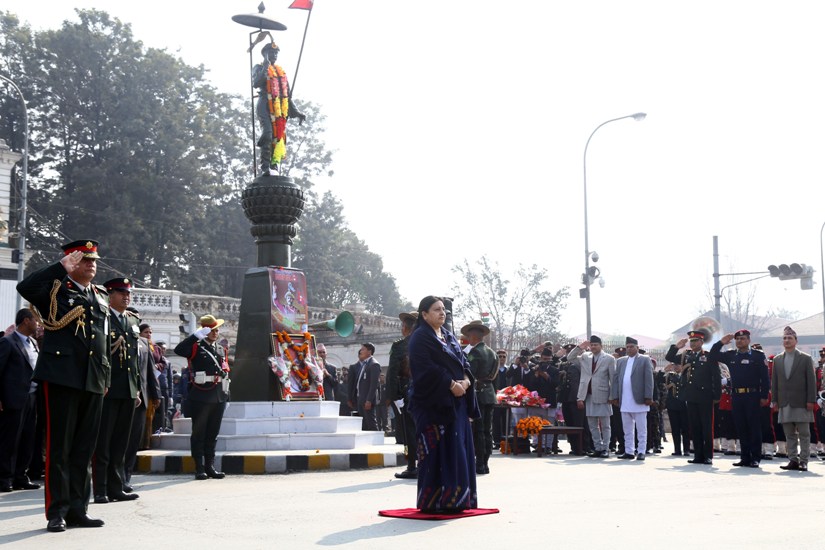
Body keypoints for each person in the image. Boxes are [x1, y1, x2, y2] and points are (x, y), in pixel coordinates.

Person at [16, 240, 110, 532]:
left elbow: (102, 341)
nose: (91, 265)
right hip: (62, 376)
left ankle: (78, 509)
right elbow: (25, 288)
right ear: (71, 262)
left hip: (93, 378)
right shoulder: (55, 289)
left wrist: (104, 377)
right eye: (84, 260)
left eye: (94, 261)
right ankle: (57, 511)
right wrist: (59, 269)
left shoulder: (100, 295)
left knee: (84, 449)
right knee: (59, 448)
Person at [408, 296, 479, 513]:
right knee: (438, 451)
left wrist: (466, 382)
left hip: (456, 403)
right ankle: (436, 502)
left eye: (444, 310)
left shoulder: (448, 336)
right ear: (424, 314)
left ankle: (459, 500)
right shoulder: (420, 337)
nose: (442, 313)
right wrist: (450, 384)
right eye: (436, 310)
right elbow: (425, 369)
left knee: (458, 448)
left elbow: (463, 363)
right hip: (433, 405)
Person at [92, 278, 140, 504]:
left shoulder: (132, 320)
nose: (126, 296)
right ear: (109, 295)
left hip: (129, 389)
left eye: (128, 293)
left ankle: (116, 487)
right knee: (103, 443)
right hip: (108, 388)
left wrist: (137, 388)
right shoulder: (103, 317)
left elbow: (134, 359)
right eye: (121, 293)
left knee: (121, 443)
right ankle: (100, 489)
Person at [174, 315, 230, 480]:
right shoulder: (196, 347)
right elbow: (178, 350)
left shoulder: (220, 349)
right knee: (199, 433)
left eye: (216, 330)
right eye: (211, 330)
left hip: (219, 395)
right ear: (205, 330)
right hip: (201, 395)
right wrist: (195, 336)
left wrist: (227, 397)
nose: (215, 333)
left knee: (212, 433)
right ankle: (199, 467)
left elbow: (225, 373)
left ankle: (210, 466)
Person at [709, 329, 769, 468]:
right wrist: (720, 342)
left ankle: (755, 458)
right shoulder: (731, 355)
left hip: (752, 395)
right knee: (741, 427)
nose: (739, 341)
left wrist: (764, 395)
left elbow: (765, 378)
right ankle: (745, 457)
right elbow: (712, 356)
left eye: (742, 338)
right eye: (737, 339)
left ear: (748, 340)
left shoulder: (758, 356)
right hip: (737, 395)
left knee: (754, 427)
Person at [0, 308, 41, 492]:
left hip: (32, 398)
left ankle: (20, 476)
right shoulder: (7, 342)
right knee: (11, 440)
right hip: (13, 399)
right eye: (35, 321)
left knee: (28, 438)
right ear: (26, 321)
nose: (38, 324)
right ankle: (4, 478)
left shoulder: (33, 342)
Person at [665, 330, 721, 466]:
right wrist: (677, 346)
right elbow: (669, 357)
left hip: (705, 396)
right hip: (690, 396)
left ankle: (708, 456)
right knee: (694, 427)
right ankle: (698, 454)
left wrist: (717, 395)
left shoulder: (708, 356)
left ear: (702, 342)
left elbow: (716, 376)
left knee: (706, 427)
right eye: (692, 341)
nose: (693, 343)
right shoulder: (686, 355)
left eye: (696, 341)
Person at [252, 42, 305, 175]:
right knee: (268, 133)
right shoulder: (259, 67)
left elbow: (286, 96)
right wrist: (265, 65)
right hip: (265, 104)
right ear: (265, 54)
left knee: (279, 136)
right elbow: (257, 83)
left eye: (276, 53)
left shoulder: (281, 73)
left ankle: (274, 167)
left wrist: (297, 112)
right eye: (271, 53)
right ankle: (265, 167)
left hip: (279, 108)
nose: (274, 55)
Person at [771, 326, 816, 472]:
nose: (787, 340)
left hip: (802, 402)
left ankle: (804, 460)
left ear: (796, 341)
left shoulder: (806, 358)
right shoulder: (777, 360)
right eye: (784, 338)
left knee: (804, 433)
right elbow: (775, 383)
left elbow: (811, 381)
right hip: (784, 402)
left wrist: (811, 400)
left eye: (790, 338)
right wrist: (775, 401)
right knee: (789, 434)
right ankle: (793, 460)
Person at [124, 314, 160, 490]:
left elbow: (150, 372)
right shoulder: (116, 338)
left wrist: (156, 395)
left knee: (133, 442)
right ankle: (110, 478)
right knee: (117, 441)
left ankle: (125, 477)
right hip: (120, 396)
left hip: (142, 399)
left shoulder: (145, 344)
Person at [568, 335, 616, 458]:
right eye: (592, 345)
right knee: (592, 425)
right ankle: (598, 448)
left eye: (596, 345)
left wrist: (612, 396)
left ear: (601, 346)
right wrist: (580, 347)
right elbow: (570, 358)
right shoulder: (585, 357)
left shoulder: (609, 358)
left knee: (605, 424)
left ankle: (606, 448)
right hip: (588, 395)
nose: (593, 347)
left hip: (603, 395)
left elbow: (613, 378)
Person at [461, 320, 498, 474]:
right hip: (489, 392)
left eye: (469, 336)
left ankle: (480, 463)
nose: (468, 339)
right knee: (488, 430)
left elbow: (471, 373)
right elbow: (494, 375)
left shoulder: (475, 353)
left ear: (473, 336)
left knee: (479, 430)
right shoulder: (493, 353)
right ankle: (486, 462)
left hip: (479, 393)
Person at [610, 337, 654, 460]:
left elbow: (649, 379)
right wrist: (615, 396)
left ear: (637, 348)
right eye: (627, 347)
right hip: (625, 399)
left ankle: (641, 451)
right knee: (627, 428)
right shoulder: (621, 361)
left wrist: (648, 396)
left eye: (631, 347)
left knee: (641, 428)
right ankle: (629, 451)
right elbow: (616, 380)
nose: (629, 349)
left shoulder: (644, 359)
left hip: (639, 399)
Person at [386, 311, 418, 479]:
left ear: (405, 327)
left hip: (405, 392)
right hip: (425, 391)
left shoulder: (399, 346)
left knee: (408, 430)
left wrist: (392, 395)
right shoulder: (428, 343)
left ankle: (412, 465)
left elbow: (392, 373)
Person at [348, 343, 381, 431]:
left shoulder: (374, 364)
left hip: (367, 401)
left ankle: (376, 443)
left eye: (363, 349)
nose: (361, 351)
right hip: (361, 399)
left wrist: (369, 400)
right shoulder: (365, 364)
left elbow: (373, 385)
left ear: (369, 352)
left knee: (371, 423)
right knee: (364, 425)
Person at [663, 364, 690, 456]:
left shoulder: (686, 375)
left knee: (685, 428)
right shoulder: (669, 375)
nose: (676, 367)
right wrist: (665, 370)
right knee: (675, 429)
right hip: (672, 405)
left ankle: (686, 449)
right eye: (674, 365)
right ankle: (677, 449)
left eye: (678, 365)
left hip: (683, 405)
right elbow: (660, 380)